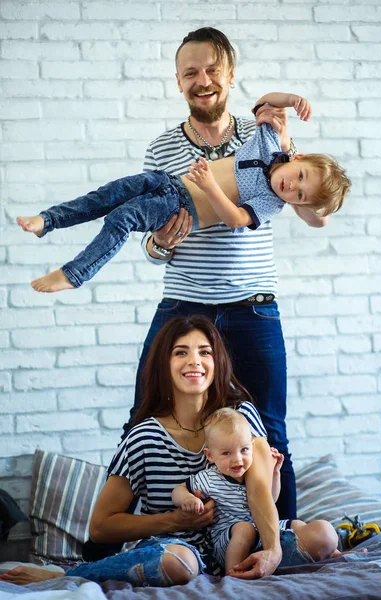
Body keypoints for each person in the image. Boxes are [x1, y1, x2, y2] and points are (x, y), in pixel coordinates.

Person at [122, 26, 338, 522]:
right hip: (183, 308)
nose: (203, 80)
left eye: (212, 70)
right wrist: (160, 243)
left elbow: (315, 214)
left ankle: (281, 544)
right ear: (179, 82)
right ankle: (130, 535)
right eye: (191, 72)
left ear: (230, 76)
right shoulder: (161, 149)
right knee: (143, 421)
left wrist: (287, 142)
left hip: (253, 308)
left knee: (270, 431)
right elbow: (150, 245)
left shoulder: (259, 134)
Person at [1, 316, 309, 586]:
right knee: (179, 565)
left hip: (241, 540)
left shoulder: (242, 415)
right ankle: (73, 574)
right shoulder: (144, 437)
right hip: (177, 548)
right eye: (181, 352)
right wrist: (176, 520)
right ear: (164, 363)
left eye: (205, 352)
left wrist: (272, 550)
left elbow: (259, 490)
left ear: (218, 363)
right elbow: (101, 526)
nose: (195, 361)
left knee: (321, 537)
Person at [16, 90, 350, 294]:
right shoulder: (269, 143)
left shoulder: (270, 202)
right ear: (298, 158)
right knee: (108, 193)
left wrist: (209, 185)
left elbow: (235, 219)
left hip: (183, 206)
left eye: (300, 195)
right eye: (300, 177)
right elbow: (265, 102)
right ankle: (49, 220)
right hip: (167, 181)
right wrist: (292, 101)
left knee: (122, 218)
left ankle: (75, 274)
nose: (292, 187)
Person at [172, 408, 340, 574]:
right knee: (245, 529)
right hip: (228, 541)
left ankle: (332, 552)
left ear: (252, 446)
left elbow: (272, 499)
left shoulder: (253, 473)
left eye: (244, 450)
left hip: (261, 535)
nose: (237, 458)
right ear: (210, 456)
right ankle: (233, 573)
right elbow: (179, 489)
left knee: (298, 524)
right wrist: (187, 499)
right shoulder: (209, 479)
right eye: (226, 453)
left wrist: (275, 473)